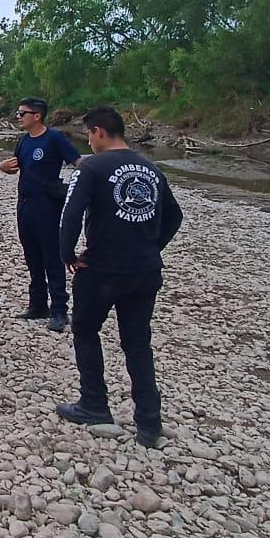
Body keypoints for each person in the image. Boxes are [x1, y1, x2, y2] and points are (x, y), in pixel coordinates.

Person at [56, 105, 183, 448]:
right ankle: (149, 423)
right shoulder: (151, 168)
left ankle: (94, 403)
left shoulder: (91, 167)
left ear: (98, 131)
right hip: (145, 269)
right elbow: (174, 215)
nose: (89, 141)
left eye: (89, 135)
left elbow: (71, 213)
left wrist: (67, 254)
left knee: (84, 330)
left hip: (101, 268)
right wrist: (152, 246)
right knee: (138, 343)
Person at [0, 97, 81, 332]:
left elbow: (78, 162)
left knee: (51, 257)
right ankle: (37, 305)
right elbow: (15, 167)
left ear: (37, 116)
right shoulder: (23, 142)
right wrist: (3, 168)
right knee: (32, 255)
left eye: (22, 113)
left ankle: (59, 310)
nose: (18, 117)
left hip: (47, 205)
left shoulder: (54, 138)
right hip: (24, 206)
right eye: (18, 112)